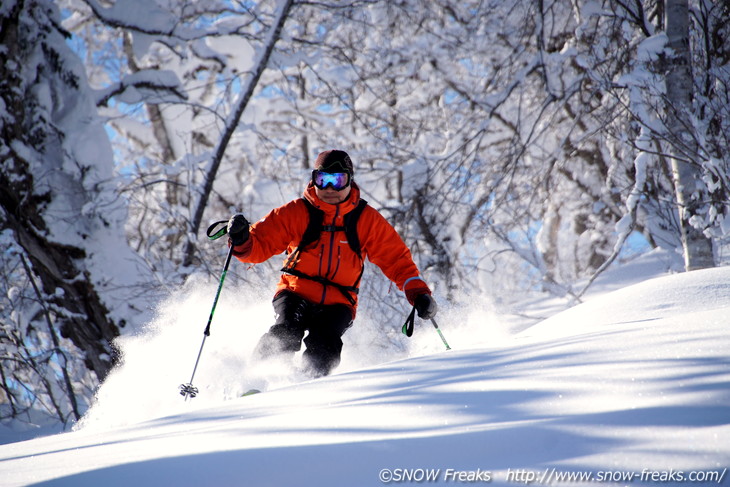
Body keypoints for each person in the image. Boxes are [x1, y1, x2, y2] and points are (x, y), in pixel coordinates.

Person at [227, 149, 437, 378]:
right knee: (287, 330)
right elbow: (258, 246)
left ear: (350, 181)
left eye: (337, 180)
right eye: (322, 179)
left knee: (325, 344)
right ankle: (257, 379)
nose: (329, 188)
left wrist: (418, 293)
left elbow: (396, 259)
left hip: (339, 301)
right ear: (313, 179)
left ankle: (309, 383)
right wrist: (242, 239)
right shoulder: (297, 212)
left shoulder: (366, 220)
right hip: (296, 290)